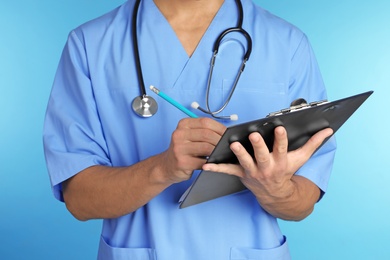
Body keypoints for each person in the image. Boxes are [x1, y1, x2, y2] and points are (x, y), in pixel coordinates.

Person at [43, 0, 336, 259]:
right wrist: (162, 168)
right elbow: (79, 200)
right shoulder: (90, 44)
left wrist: (275, 189)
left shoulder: (287, 44)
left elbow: (302, 203)